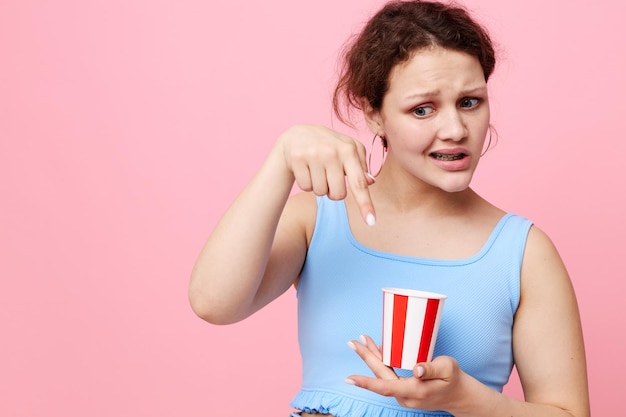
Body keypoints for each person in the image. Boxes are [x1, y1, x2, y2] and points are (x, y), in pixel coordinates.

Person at [188, 1, 590, 416]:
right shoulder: (318, 218)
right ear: (372, 113)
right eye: (422, 109)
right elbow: (214, 303)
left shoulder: (523, 253)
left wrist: (464, 399)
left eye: (470, 102)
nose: (455, 130)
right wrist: (281, 158)